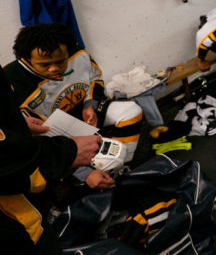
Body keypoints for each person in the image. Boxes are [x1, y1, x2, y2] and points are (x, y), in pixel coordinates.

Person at [4, 23, 143, 166]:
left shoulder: (78, 55)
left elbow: (94, 78)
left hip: (85, 115)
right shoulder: (10, 78)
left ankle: (121, 163)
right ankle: (81, 176)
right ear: (26, 59)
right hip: (51, 131)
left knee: (131, 110)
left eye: (60, 61)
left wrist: (90, 105)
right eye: (44, 65)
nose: (54, 69)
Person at [0, 65, 100, 254]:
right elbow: (7, 161)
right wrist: (68, 153)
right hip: (14, 223)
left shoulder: (80, 60)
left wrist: (14, 126)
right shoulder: (18, 77)